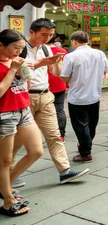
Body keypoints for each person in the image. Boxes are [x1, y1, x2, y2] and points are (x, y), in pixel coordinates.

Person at [15, 18, 88, 186]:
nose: (47, 38)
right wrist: (42, 63)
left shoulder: (47, 49)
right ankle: (8, 174)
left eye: (50, 35)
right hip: (25, 96)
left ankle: (65, 171)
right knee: (18, 138)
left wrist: (55, 63)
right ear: (32, 32)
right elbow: (17, 70)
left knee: (54, 135)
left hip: (45, 95)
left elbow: (54, 73)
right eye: (43, 35)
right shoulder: (20, 48)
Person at [0, 30, 44, 217]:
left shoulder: (17, 60)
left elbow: (27, 85)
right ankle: (8, 201)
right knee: (5, 160)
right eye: (15, 48)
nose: (19, 52)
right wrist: (12, 69)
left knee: (36, 151)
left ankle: (5, 186)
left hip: (23, 109)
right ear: (1, 45)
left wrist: (24, 69)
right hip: (4, 114)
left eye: (21, 48)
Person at [60, 31, 108, 162]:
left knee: (81, 125)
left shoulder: (71, 56)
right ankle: (85, 145)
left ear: (74, 41)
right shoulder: (100, 54)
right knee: (92, 124)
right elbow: (105, 70)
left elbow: (64, 77)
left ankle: (85, 152)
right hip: (95, 94)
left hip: (77, 96)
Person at [47, 35, 68, 142]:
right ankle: (61, 135)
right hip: (59, 83)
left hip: (43, 85)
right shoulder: (62, 51)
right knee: (59, 110)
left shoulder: (40, 50)